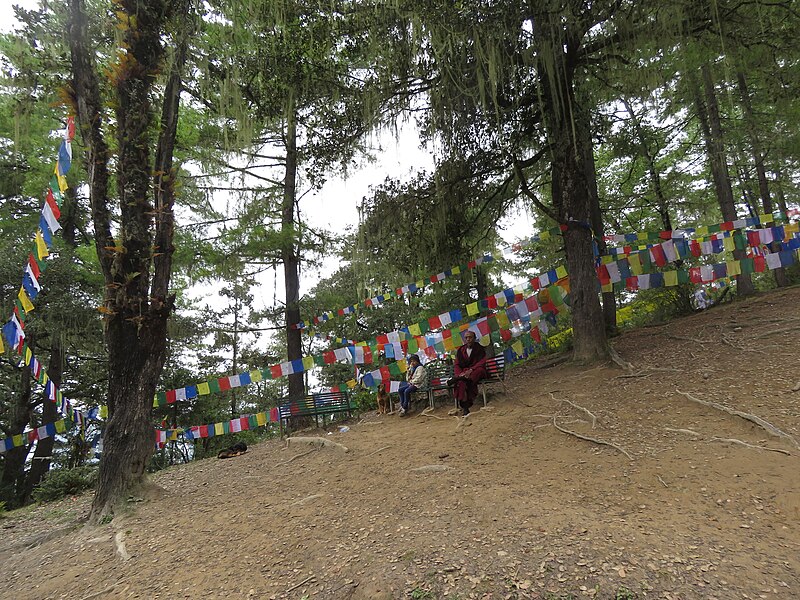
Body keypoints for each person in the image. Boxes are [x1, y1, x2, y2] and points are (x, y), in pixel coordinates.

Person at [451, 330, 487, 416]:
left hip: (475, 371)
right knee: (461, 382)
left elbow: (482, 361)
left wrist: (471, 370)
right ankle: (465, 407)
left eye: (470, 337)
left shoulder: (480, 348)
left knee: (479, 371)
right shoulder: (461, 350)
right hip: (463, 373)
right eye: (466, 338)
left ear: (474, 338)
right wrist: (459, 374)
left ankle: (465, 378)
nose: (468, 339)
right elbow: (457, 364)